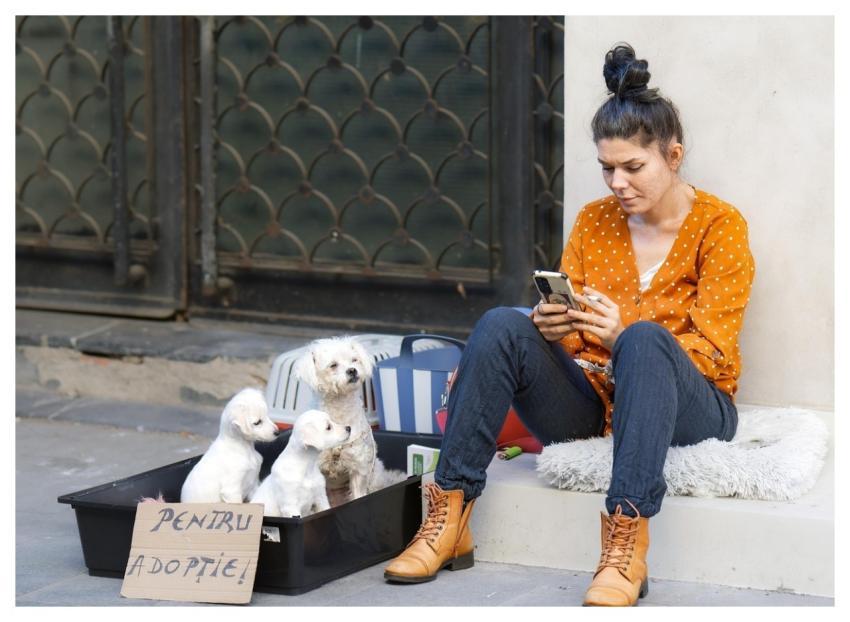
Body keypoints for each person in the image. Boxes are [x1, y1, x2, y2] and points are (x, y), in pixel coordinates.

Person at [383, 42, 755, 607]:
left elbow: (715, 353)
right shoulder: (593, 221)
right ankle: (450, 513)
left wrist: (621, 334)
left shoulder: (721, 227)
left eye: (634, 166)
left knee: (646, 339)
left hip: (693, 405)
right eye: (607, 168)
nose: (617, 183)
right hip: (591, 399)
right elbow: (576, 330)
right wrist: (554, 327)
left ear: (673, 155)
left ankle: (625, 543)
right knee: (503, 324)